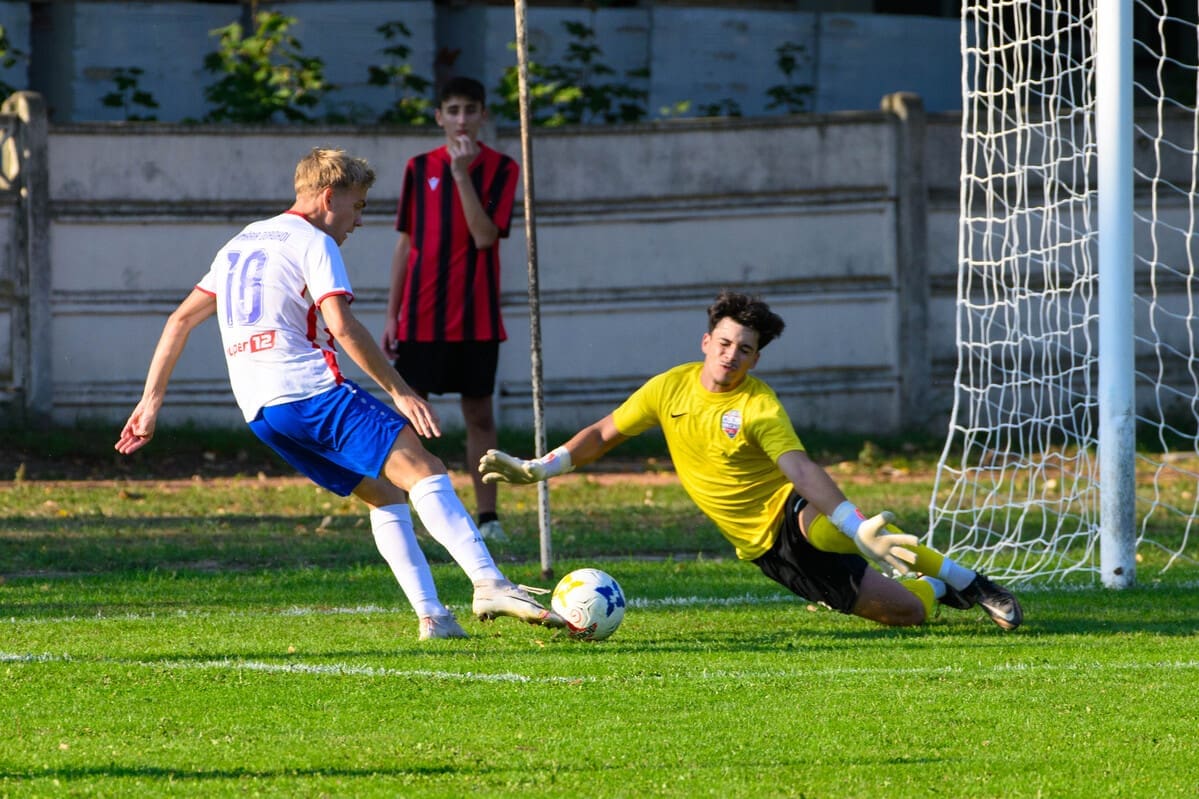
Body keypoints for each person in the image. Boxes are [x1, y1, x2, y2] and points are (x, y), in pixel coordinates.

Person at [115, 147, 563, 641]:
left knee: (384, 493)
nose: (358, 219)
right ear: (329, 197)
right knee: (425, 469)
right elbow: (342, 327)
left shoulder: (241, 242)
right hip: (310, 389)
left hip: (263, 411)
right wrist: (401, 391)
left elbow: (180, 320)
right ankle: (489, 581)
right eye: (359, 204)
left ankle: (434, 617)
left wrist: (150, 401)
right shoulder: (314, 241)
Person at [479, 290, 1023, 631]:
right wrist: (539, 469)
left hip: (789, 509)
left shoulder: (758, 404)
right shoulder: (669, 388)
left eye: (744, 349)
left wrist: (855, 525)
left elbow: (802, 471)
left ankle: (972, 583)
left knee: (836, 530)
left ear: (756, 357)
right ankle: (934, 589)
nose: (730, 355)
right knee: (909, 614)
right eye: (724, 343)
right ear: (707, 341)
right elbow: (602, 433)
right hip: (765, 550)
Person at [382, 76, 518, 544]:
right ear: (439, 116)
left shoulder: (502, 169)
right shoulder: (418, 168)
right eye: (453, 110)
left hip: (477, 319)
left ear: (483, 116)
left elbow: (484, 236)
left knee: (479, 416)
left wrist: (461, 175)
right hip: (421, 318)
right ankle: (404, 511)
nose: (462, 119)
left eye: (470, 110)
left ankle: (488, 518)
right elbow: (406, 244)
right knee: (405, 417)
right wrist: (391, 314)